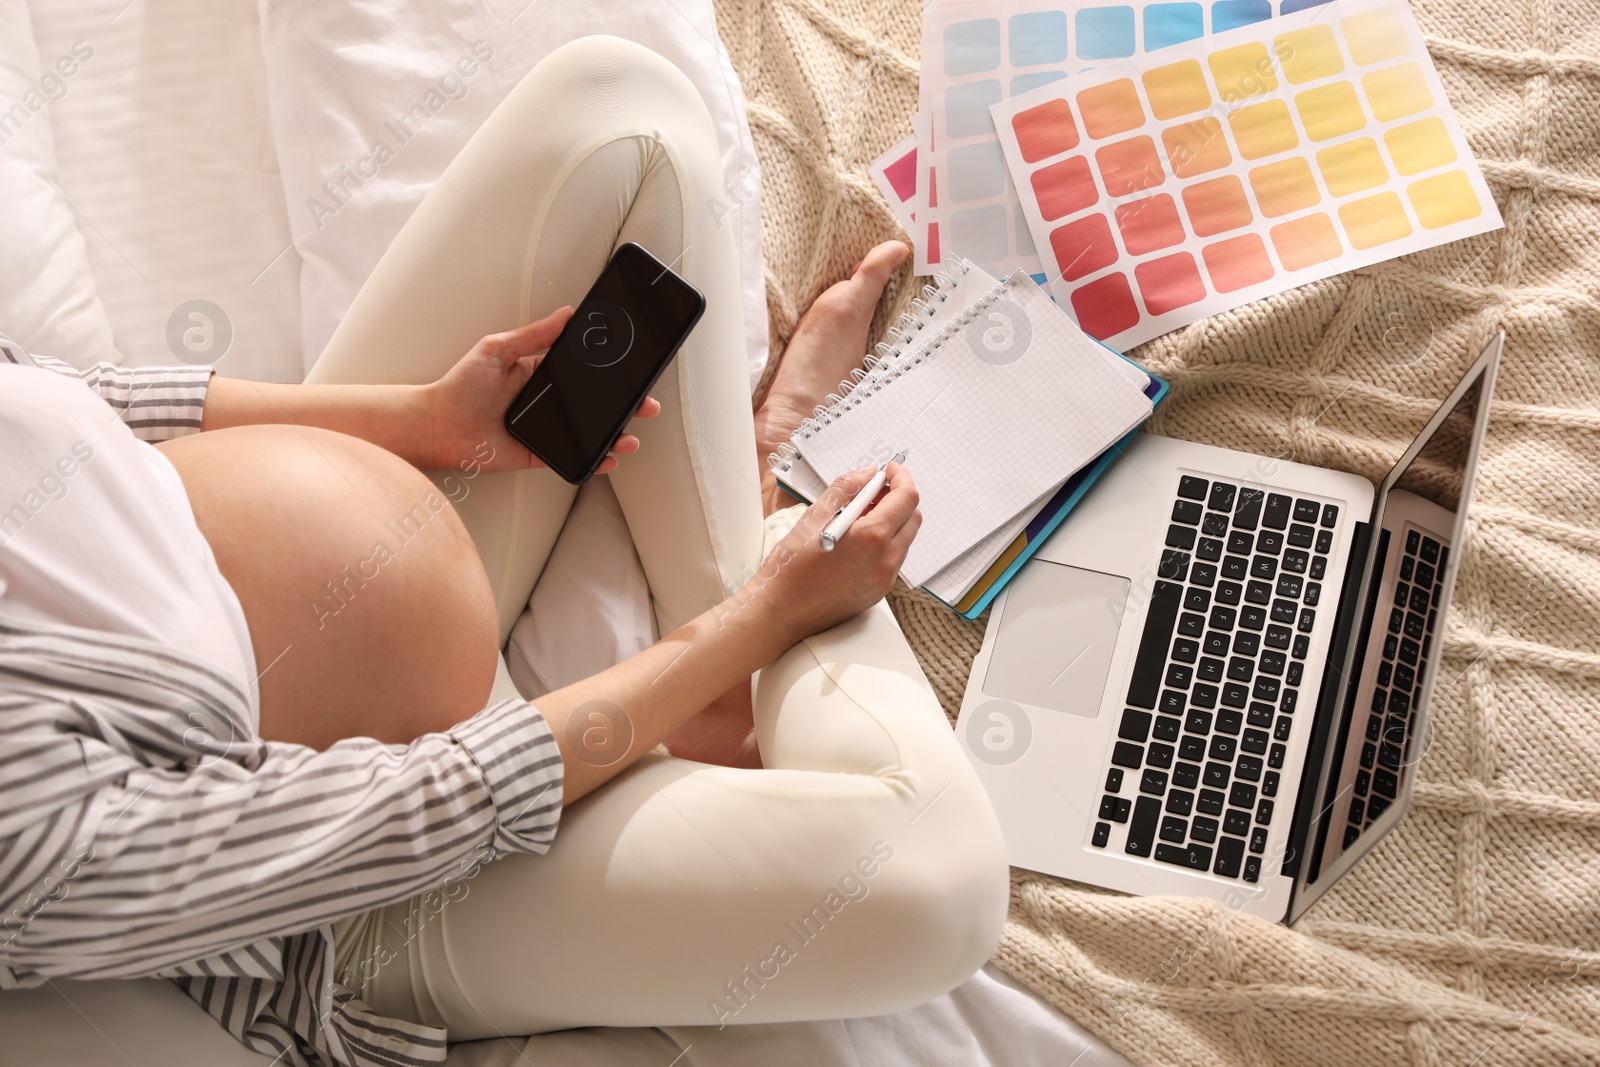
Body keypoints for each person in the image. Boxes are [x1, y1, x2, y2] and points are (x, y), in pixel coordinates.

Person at [0, 36, 1007, 1067]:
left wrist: (421, 417)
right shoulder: (22, 856)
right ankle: (751, 553)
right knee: (937, 889)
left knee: (625, 113)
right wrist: (760, 616)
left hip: (387, 525)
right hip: (383, 881)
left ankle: (718, 649)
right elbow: (423, 805)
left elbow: (63, 392)